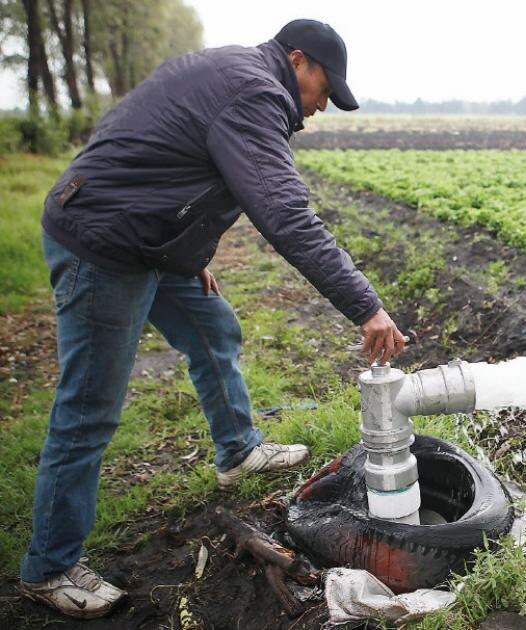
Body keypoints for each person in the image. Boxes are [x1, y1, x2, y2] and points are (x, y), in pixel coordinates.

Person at [18, 19, 404, 619]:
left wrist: (187, 254)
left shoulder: (230, 71)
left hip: (148, 241)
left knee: (213, 327)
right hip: (105, 245)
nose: (323, 105)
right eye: (325, 88)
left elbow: (167, 153)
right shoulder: (255, 92)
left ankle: (238, 449)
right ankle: (48, 567)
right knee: (88, 406)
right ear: (296, 60)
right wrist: (366, 307)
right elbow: (284, 213)